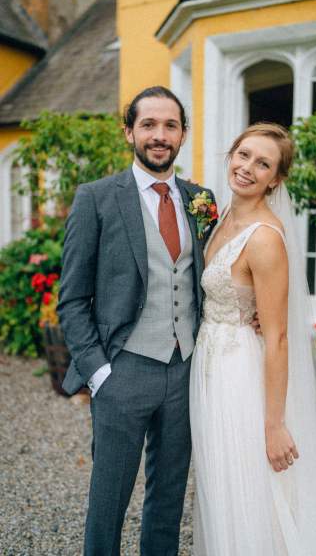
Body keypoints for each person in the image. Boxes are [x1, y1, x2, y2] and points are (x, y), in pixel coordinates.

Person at [57, 86, 217, 556]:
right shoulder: (97, 199)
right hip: (123, 370)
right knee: (108, 502)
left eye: (170, 125)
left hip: (185, 370)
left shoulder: (200, 200)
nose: (159, 135)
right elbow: (71, 298)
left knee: (168, 500)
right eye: (148, 124)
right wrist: (100, 372)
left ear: (183, 134)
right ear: (129, 131)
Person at [190, 123, 316, 555]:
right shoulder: (224, 216)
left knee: (252, 487)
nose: (247, 168)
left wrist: (273, 425)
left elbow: (279, 337)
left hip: (240, 376)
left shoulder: (265, 239)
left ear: (276, 179)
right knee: (222, 481)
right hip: (210, 364)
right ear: (231, 154)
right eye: (243, 154)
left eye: (262, 163)